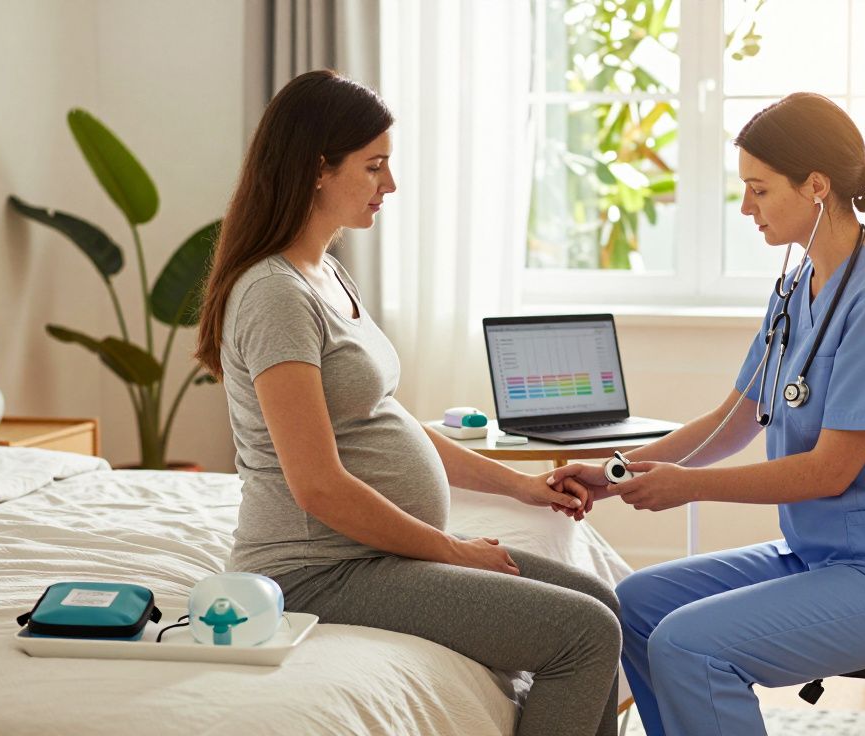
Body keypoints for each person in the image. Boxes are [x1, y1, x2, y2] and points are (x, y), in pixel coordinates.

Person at [194, 70, 621, 736]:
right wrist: (451, 551)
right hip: (319, 572)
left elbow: (389, 424)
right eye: (374, 166)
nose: (388, 185)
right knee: (584, 632)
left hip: (372, 556)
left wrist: (522, 488)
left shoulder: (325, 273)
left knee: (598, 600)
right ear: (316, 169)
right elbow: (319, 487)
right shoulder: (274, 295)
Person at [548, 92, 865, 736]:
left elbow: (829, 472)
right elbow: (734, 420)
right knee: (634, 605)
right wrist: (615, 473)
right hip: (822, 553)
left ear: (814, 186)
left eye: (758, 189)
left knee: (689, 645)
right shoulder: (795, 286)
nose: (745, 207)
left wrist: (687, 488)